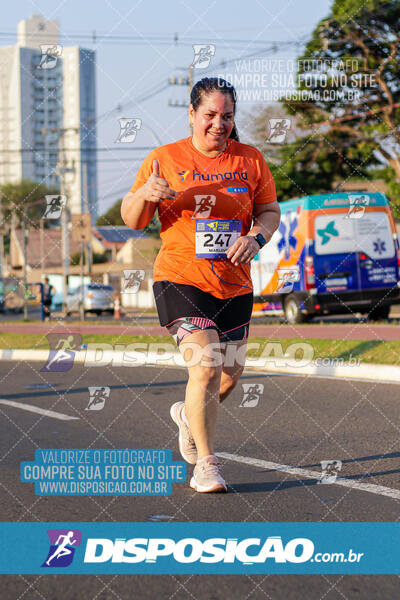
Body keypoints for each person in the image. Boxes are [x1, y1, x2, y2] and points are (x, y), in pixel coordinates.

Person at [121, 77, 280, 493]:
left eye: (226, 116)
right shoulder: (164, 158)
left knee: (227, 377)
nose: (218, 123)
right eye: (210, 115)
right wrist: (146, 194)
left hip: (234, 284)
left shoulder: (251, 160)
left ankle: (187, 417)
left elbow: (269, 211)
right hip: (180, 278)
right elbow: (132, 218)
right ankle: (206, 466)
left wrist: (255, 238)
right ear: (192, 114)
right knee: (205, 365)